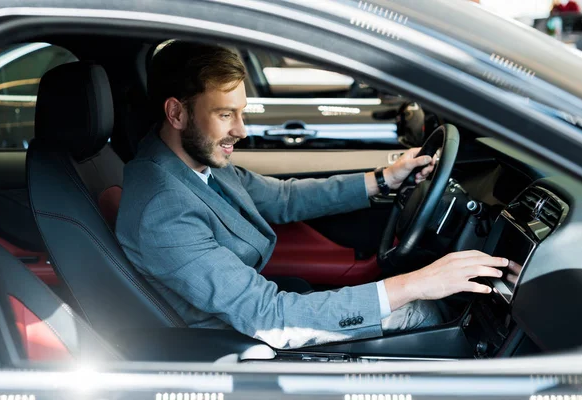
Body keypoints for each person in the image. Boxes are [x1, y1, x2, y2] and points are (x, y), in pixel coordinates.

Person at [115, 41, 508, 350]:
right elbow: (271, 318)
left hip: (253, 314)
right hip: (238, 345)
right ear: (176, 114)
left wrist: (384, 180)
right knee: (427, 316)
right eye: (225, 115)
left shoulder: (190, 164)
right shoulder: (163, 208)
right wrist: (417, 284)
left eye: (242, 112)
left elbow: (283, 199)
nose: (243, 130)